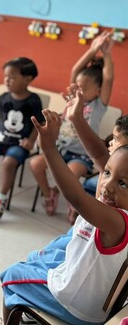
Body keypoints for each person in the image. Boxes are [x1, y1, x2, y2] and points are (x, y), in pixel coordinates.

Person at [0, 109, 128, 325]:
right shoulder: (115, 207)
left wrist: (49, 148)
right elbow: (99, 159)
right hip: (90, 301)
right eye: (106, 173)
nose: (107, 186)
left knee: (10, 276)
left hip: (74, 305)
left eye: (122, 183)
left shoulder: (118, 220)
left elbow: (76, 196)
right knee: (37, 258)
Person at [29, 31, 114, 222]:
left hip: (81, 155)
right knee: (35, 164)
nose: (77, 90)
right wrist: (92, 50)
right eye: (76, 86)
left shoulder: (98, 105)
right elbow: (75, 69)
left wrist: (106, 54)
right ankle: (48, 194)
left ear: (98, 90)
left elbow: (108, 78)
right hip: (60, 149)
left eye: (83, 88)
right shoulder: (73, 99)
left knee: (70, 176)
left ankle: (76, 205)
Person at [0, 57, 43, 223]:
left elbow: (38, 123)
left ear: (27, 79)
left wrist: (31, 141)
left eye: (12, 77)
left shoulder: (34, 100)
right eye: (5, 76)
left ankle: (0, 198)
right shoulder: (3, 97)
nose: (6, 80)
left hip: (19, 144)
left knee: (8, 162)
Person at [65, 84, 128, 197]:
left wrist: (77, 119)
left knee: (88, 185)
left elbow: (99, 155)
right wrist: (76, 119)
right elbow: (98, 155)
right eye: (107, 173)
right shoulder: (110, 163)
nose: (107, 187)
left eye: (115, 139)